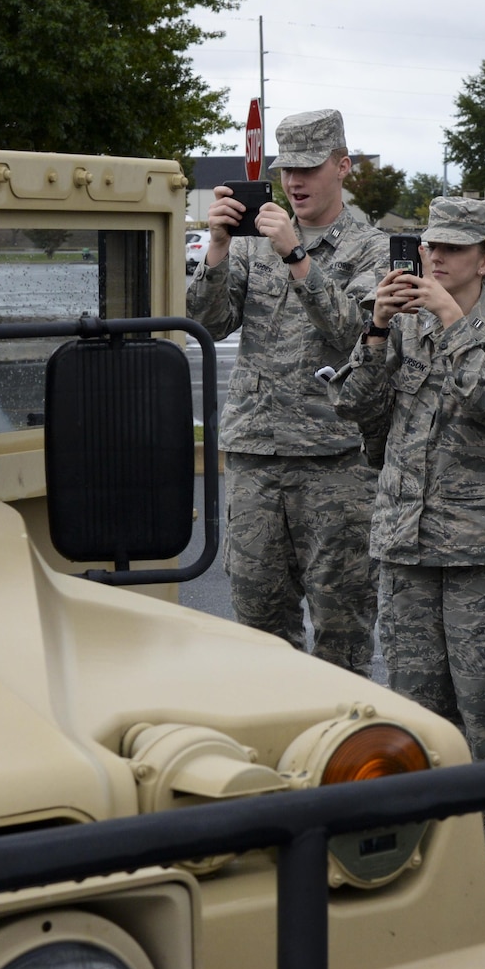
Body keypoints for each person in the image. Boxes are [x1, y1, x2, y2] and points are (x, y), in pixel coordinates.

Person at [331, 196, 485, 899]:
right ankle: (430, 836)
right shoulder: (404, 327)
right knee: (417, 705)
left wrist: (450, 323)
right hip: (407, 542)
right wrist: (374, 329)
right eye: (431, 247)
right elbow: (356, 409)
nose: (437, 259)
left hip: (483, 548)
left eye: (454, 248)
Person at [186, 110, 386, 676]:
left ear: (342, 167)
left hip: (335, 463)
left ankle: (342, 755)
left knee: (341, 630)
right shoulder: (254, 242)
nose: (295, 181)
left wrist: (298, 257)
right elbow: (208, 323)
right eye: (286, 169)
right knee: (259, 629)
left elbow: (358, 337)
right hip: (257, 456)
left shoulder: (371, 247)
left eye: (308, 167)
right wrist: (220, 247)